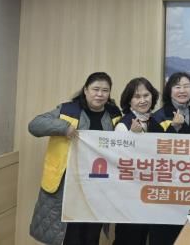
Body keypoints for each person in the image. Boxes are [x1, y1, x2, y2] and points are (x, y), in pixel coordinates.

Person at [29, 72, 121, 245]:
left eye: (105, 90)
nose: (100, 94)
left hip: (98, 187)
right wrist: (63, 127)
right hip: (68, 186)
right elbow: (34, 125)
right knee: (71, 236)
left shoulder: (114, 114)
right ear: (85, 90)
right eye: (95, 89)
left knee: (91, 237)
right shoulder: (68, 110)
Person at [148, 72, 190, 245]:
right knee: (165, 234)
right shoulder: (158, 116)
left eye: (186, 86)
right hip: (167, 184)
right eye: (177, 87)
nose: (182, 90)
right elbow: (155, 151)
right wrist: (174, 128)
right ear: (169, 91)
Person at [113, 77, 160, 245]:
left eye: (146, 95)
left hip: (149, 193)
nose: (142, 100)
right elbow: (118, 161)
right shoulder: (123, 126)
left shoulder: (154, 122)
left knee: (143, 237)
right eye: (137, 97)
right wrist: (132, 137)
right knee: (128, 238)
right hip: (129, 195)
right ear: (129, 101)